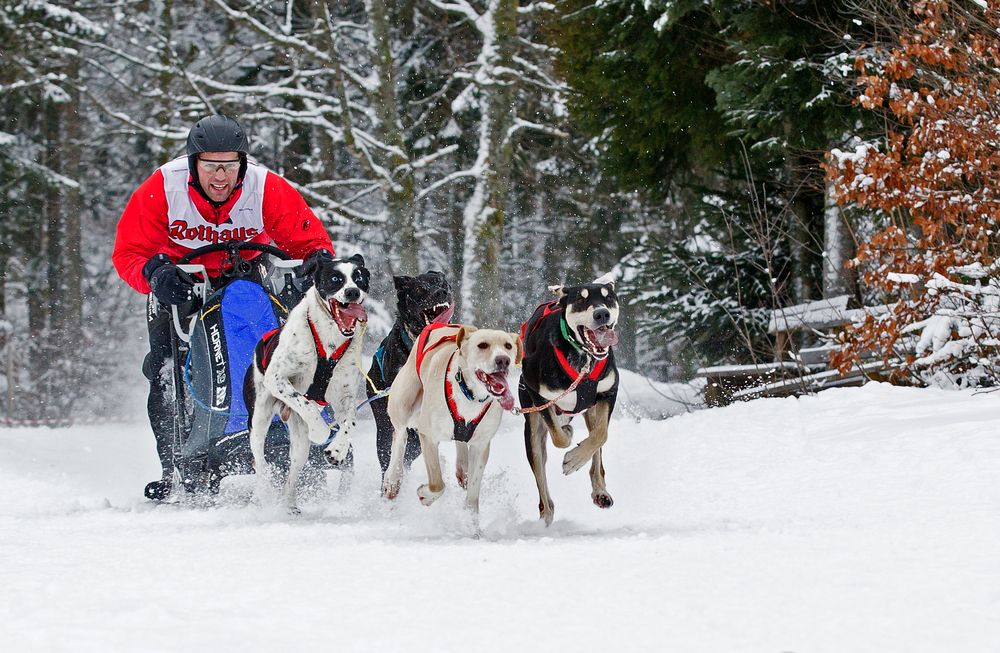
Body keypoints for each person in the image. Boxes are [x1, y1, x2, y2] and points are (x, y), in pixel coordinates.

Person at [113, 114, 335, 500]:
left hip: (246, 275)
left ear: (242, 164)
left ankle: (295, 427)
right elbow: (130, 252)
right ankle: (175, 468)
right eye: (211, 166)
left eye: (230, 166)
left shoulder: (264, 186)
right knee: (165, 366)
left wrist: (316, 259)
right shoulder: (162, 187)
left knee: (282, 341)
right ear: (192, 163)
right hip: (178, 283)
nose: (221, 177)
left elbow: (309, 240)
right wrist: (154, 273)